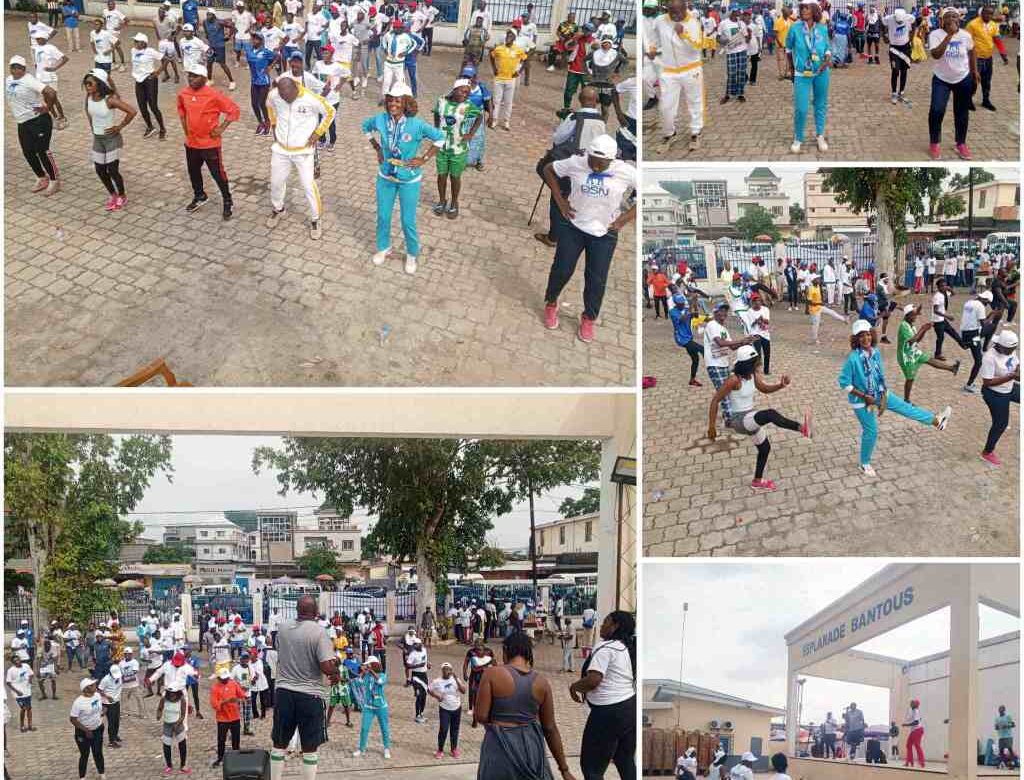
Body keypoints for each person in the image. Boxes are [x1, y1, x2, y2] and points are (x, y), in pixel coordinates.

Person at [540, 134, 636, 344]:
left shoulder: (625, 172)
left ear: (612, 160)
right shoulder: (577, 163)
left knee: (596, 279)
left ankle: (589, 318)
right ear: (589, 155)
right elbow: (548, 170)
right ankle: (551, 304)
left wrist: (623, 220)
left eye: (602, 164)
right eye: (594, 162)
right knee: (562, 269)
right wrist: (560, 201)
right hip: (573, 227)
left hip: (604, 234)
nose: (597, 167)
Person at [840, 320, 951, 477]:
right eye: (861, 336)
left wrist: (883, 393)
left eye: (868, 334)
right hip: (862, 402)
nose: (866, 339)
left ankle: (937, 421)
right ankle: (864, 463)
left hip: (879, 393)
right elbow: (844, 383)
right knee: (871, 431)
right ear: (856, 339)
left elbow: (879, 375)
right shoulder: (853, 359)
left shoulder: (875, 352)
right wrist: (865, 397)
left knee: (906, 407)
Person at [363, 83, 443, 275]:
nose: (393, 104)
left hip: (409, 180)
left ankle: (412, 254)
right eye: (390, 99)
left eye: (398, 100)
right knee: (383, 216)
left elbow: (440, 138)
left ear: (406, 102)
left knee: (408, 221)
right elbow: (365, 126)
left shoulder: (417, 124)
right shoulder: (381, 119)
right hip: (386, 177)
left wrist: (423, 158)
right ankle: (383, 248)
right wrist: (376, 147)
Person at [475, 631, 577, 780]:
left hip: (499, 747)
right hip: (531, 748)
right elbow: (550, 728)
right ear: (528, 653)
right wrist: (564, 770)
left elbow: (481, 716)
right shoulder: (542, 683)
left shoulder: (492, 674)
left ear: (506, 650)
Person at [708, 344, 811, 490]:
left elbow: (764, 389)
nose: (759, 364)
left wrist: (780, 385)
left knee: (765, 448)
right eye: (756, 362)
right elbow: (715, 400)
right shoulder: (734, 380)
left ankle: (757, 480)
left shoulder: (752, 376)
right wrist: (711, 427)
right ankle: (802, 428)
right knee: (770, 414)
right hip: (738, 421)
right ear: (747, 364)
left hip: (750, 418)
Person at [269, 594, 340, 780]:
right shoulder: (319, 632)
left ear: (297, 610)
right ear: (316, 612)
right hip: (310, 695)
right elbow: (326, 666)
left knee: (279, 744)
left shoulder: (283, 629)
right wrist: (336, 670)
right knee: (310, 748)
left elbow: (280, 650)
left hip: (283, 692)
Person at [265, 75, 334, 240]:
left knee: (308, 186)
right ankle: (278, 209)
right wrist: (273, 124)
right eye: (282, 96)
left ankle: (316, 219)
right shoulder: (275, 95)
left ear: (295, 89)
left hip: (303, 151)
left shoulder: (311, 98)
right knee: (276, 182)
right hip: (281, 149)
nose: (285, 99)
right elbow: (269, 105)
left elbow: (330, 112)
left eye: (288, 96)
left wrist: (318, 133)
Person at [177, 63, 239, 219]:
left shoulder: (213, 95)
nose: (191, 78)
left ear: (204, 78)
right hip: (191, 143)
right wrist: (186, 131)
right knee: (193, 171)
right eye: (189, 75)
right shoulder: (183, 93)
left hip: (210, 144)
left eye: (195, 76)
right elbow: (182, 112)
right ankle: (199, 196)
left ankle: (227, 200)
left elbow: (233, 110)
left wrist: (222, 128)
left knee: (217, 174)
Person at [650, 0, 704, 150]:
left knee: (695, 102)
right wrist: (653, 48)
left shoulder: (693, 23)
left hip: (691, 69)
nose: (674, 15)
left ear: (685, 9)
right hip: (669, 70)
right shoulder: (660, 21)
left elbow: (698, 47)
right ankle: (669, 133)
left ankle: (695, 132)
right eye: (671, 11)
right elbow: (653, 39)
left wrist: (683, 34)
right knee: (665, 106)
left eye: (678, 12)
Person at [7, 55, 63, 195]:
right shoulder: (8, 80)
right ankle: (41, 177)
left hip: (39, 121)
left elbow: (50, 92)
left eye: (19, 67)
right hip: (23, 123)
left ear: (24, 69)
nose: (15, 70)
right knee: (28, 152)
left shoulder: (29, 80)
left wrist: (48, 107)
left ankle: (54, 181)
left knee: (42, 151)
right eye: (13, 67)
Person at [928, 8, 978, 160]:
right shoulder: (935, 35)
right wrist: (950, 35)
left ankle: (960, 143)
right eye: (948, 17)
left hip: (962, 78)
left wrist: (974, 71)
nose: (952, 19)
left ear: (959, 19)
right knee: (937, 110)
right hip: (941, 79)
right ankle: (935, 142)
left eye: (955, 16)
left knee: (962, 112)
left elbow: (972, 50)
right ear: (942, 20)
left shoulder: (965, 35)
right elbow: (936, 55)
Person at [82, 68, 135, 211]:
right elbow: (88, 111)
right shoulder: (89, 97)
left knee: (112, 170)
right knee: (99, 169)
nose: (87, 86)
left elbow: (132, 111)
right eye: (86, 83)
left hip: (111, 139)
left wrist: (119, 127)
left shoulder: (110, 100)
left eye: (90, 83)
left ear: (99, 84)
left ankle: (122, 196)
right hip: (98, 139)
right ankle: (112, 194)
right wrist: (92, 127)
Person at [432, 77, 481, 219]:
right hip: (441, 147)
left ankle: (454, 202)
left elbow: (479, 117)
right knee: (441, 176)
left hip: (459, 149)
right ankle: (442, 201)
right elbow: (436, 113)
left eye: (467, 93)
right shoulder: (441, 101)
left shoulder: (468, 105)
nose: (465, 95)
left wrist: (470, 134)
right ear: (454, 90)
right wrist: (436, 129)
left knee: (455, 177)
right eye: (462, 91)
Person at [786, 0, 832, 153]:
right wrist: (792, 69)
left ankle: (820, 135)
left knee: (820, 104)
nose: (803, 10)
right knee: (801, 108)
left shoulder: (822, 28)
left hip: (821, 72)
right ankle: (798, 138)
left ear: (814, 10)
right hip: (802, 73)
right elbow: (788, 48)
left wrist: (827, 58)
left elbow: (827, 47)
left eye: (806, 7)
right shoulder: (794, 28)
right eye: (801, 8)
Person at [897, 304, 960, 402]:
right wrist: (922, 329)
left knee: (929, 360)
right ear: (907, 315)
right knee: (910, 378)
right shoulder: (903, 326)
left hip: (913, 351)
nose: (915, 317)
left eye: (915, 315)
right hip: (906, 356)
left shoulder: (910, 325)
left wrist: (924, 331)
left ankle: (952, 368)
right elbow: (912, 341)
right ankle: (906, 400)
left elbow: (917, 340)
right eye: (913, 315)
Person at [980, 330, 1019, 466]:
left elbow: (1016, 363)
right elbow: (987, 382)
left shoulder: (1011, 349)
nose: (1012, 352)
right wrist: (1011, 376)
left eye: (1014, 349)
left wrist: (1017, 372)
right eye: (1010, 350)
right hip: (994, 393)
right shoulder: (989, 357)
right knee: (1000, 424)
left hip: (1009, 387)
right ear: (1001, 346)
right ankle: (987, 452)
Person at [965, 5, 1008, 111]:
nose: (988, 15)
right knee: (974, 80)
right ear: (981, 13)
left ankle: (986, 100)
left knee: (987, 81)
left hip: (988, 58)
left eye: (990, 13)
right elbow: (965, 41)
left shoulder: (993, 25)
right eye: (986, 13)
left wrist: (1003, 54)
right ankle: (968, 100)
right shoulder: (972, 24)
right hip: (976, 58)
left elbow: (997, 39)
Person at [352, 656, 391, 758]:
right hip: (368, 707)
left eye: (369, 664)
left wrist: (372, 672)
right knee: (364, 728)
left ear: (374, 664)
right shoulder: (367, 675)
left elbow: (380, 682)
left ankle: (386, 748)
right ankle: (361, 749)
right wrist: (363, 672)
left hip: (381, 707)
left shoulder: (383, 675)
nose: (367, 666)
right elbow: (358, 683)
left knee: (384, 728)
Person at [209, 668, 245, 768]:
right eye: (223, 679)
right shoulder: (215, 688)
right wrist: (226, 701)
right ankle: (220, 757)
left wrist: (240, 698)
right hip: (222, 719)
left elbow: (241, 694)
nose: (226, 680)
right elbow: (214, 705)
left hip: (235, 716)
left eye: (227, 678)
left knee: (236, 738)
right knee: (221, 740)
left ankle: (236, 756)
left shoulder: (233, 683)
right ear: (219, 678)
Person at [428, 662, 466, 759]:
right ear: (442, 671)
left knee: (455, 729)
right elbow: (429, 689)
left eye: (448, 669)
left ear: (451, 670)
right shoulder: (438, 681)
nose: (447, 671)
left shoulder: (455, 679)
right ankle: (440, 750)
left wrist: (457, 679)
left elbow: (464, 691)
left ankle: (454, 749)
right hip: (445, 708)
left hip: (457, 708)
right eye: (445, 669)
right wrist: (437, 696)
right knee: (444, 729)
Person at [70, 678, 105, 779]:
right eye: (92, 685)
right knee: (85, 755)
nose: (95, 685)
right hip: (83, 733)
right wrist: (86, 730)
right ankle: (82, 777)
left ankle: (102, 774)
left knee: (98, 753)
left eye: (94, 684)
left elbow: (98, 709)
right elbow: (73, 719)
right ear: (86, 689)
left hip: (97, 729)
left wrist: (103, 712)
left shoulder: (97, 695)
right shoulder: (78, 703)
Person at [670, 293, 705, 387]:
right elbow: (682, 319)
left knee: (695, 359)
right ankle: (715, 367)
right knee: (703, 349)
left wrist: (694, 304)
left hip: (688, 337)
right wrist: (690, 308)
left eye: (682, 302)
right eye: (679, 303)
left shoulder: (686, 310)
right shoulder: (672, 312)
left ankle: (692, 380)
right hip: (681, 339)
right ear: (676, 303)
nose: (681, 304)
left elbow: (696, 317)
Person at [244, 32, 276, 134]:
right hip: (254, 81)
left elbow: (277, 56)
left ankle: (267, 122)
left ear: (261, 41)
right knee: (254, 104)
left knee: (262, 103)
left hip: (264, 81)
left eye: (257, 39)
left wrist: (270, 66)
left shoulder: (266, 52)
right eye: (253, 38)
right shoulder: (249, 51)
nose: (254, 40)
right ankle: (260, 122)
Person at [718, 8, 750, 104]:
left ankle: (740, 94)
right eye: (737, 11)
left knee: (741, 73)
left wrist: (749, 35)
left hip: (742, 51)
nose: (739, 13)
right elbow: (718, 37)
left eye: (739, 11)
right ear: (732, 12)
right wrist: (722, 41)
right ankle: (728, 94)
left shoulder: (742, 24)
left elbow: (746, 38)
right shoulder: (724, 23)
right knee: (731, 73)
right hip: (730, 51)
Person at [157, 682, 190, 774]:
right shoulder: (164, 699)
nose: (172, 695)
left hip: (178, 724)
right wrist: (158, 715)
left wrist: (178, 723)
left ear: (178, 692)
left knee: (182, 744)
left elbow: (183, 715)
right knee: (166, 745)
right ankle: (169, 765)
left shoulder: (182, 700)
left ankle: (183, 765)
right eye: (170, 693)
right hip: (167, 724)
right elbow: (159, 708)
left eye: (174, 693)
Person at [882, 8, 913, 105]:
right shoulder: (889, 18)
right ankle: (894, 93)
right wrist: (884, 36)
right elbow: (881, 23)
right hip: (894, 49)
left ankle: (901, 92)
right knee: (895, 70)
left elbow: (915, 23)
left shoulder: (909, 18)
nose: (899, 23)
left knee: (904, 71)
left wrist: (911, 38)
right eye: (897, 21)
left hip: (905, 48)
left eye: (901, 22)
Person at [6, 654, 35, 733]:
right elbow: (8, 682)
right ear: (13, 663)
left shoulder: (26, 666)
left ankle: (30, 725)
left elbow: (31, 674)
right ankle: (22, 726)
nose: (18, 662)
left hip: (27, 691)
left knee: (29, 708)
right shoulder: (11, 670)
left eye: (18, 660)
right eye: (15, 661)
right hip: (18, 693)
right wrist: (16, 691)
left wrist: (30, 680)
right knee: (23, 708)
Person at [405, 638, 430, 723]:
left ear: (420, 644)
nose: (414, 646)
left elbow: (425, 660)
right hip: (416, 676)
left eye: (416, 644)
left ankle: (422, 713)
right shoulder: (413, 654)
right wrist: (418, 665)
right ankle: (417, 715)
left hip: (424, 675)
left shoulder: (424, 650)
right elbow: (408, 666)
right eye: (414, 644)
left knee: (424, 696)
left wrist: (428, 664)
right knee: (419, 695)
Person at [903, 698, 925, 768]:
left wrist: (906, 725)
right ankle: (909, 762)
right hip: (914, 731)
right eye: (911, 703)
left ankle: (922, 762)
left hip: (917, 730)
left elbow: (916, 722)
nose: (911, 703)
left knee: (917, 745)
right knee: (908, 745)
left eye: (913, 703)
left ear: (916, 705)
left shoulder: (916, 711)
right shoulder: (913, 711)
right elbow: (916, 719)